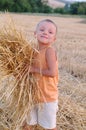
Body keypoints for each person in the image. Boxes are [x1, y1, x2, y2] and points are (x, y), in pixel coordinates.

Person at [23, 19, 59, 130]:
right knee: (28, 124)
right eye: (42, 29)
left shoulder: (49, 51)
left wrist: (33, 69)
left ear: (54, 39)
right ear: (35, 33)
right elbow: (28, 71)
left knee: (48, 127)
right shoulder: (33, 51)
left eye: (50, 32)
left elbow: (52, 72)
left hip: (47, 98)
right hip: (33, 95)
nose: (45, 33)